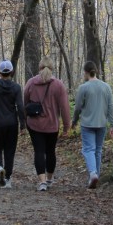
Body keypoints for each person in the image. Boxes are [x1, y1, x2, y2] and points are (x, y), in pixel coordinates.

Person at [23, 57, 71, 191]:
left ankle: (42, 182)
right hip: (52, 125)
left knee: (38, 151)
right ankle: (49, 179)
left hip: (34, 124)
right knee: (50, 152)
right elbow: (64, 107)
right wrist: (66, 127)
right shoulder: (59, 85)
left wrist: (24, 120)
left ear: (39, 68)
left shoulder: (31, 83)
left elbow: (25, 102)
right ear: (52, 68)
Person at [72, 60, 113, 189]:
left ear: (85, 72)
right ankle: (96, 175)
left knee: (88, 149)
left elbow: (77, 107)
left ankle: (93, 174)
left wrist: (74, 121)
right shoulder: (106, 87)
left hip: (87, 124)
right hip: (102, 123)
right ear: (95, 71)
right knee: (98, 150)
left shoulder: (83, 87)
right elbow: (111, 107)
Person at [0, 59, 26, 189]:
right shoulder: (16, 87)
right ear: (12, 72)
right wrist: (23, 125)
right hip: (12, 123)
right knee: (10, 150)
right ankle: (7, 179)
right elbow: (20, 106)